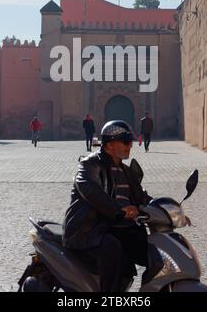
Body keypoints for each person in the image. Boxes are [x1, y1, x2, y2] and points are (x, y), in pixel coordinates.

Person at [62, 120, 163, 292]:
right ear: (109, 145)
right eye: (125, 141)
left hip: (119, 228)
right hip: (90, 231)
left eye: (130, 141)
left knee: (154, 250)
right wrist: (118, 210)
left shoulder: (125, 170)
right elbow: (90, 189)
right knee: (112, 247)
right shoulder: (89, 164)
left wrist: (165, 211)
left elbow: (141, 196)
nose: (130, 145)